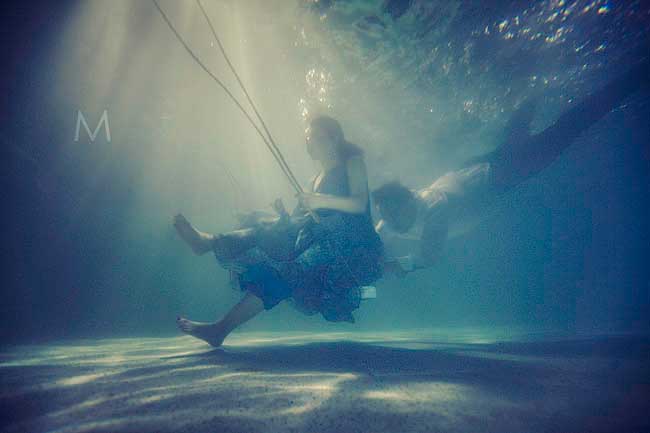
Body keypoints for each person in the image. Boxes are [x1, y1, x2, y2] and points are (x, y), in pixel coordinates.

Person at [374, 59, 649, 275]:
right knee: (525, 129)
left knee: (568, 128)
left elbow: (429, 257)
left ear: (409, 201)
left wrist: (394, 266)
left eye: (396, 216)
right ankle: (538, 74)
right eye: (389, 216)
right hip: (484, 168)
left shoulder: (435, 209)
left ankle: (622, 79)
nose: (394, 224)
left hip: (504, 173)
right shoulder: (393, 218)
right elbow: (377, 237)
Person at [173, 115, 384, 346]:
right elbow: (297, 220)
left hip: (351, 245)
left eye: (317, 137)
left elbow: (359, 203)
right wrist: (270, 215)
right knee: (265, 231)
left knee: (288, 273)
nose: (311, 142)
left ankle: (219, 327)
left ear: (335, 138)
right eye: (308, 137)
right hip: (321, 241)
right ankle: (209, 244)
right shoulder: (314, 179)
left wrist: (319, 200)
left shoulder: (353, 162)